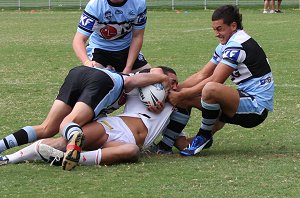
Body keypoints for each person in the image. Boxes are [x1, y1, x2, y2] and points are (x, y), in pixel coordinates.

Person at [0, 66, 180, 170]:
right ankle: (73, 141)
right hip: (106, 82)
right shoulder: (146, 81)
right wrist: (162, 79)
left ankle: (5, 153)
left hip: (80, 73)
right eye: (172, 81)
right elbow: (130, 81)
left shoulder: (159, 95)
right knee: (69, 124)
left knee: (47, 127)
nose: (173, 86)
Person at [165, 5, 274, 156]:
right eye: (214, 29)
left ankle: (204, 135)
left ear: (233, 26)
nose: (216, 33)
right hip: (243, 99)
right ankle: (164, 146)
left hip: (256, 108)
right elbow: (202, 74)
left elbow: (216, 80)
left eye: (220, 28)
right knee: (186, 99)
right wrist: (176, 91)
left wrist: (182, 94)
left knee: (210, 89)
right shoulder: (228, 44)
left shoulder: (237, 45)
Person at [73, 0, 150, 74]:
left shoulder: (138, 3)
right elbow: (79, 40)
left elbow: (137, 36)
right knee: (94, 79)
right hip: (100, 50)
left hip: (127, 49)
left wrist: (128, 68)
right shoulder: (95, 5)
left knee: (152, 78)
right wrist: (87, 62)